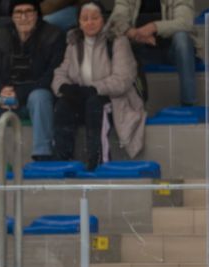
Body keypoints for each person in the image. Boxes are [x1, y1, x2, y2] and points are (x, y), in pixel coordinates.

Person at [52, 0, 147, 169]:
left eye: (95, 18)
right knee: (62, 105)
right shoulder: (74, 43)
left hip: (114, 101)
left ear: (104, 20)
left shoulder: (117, 41)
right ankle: (62, 162)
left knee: (95, 103)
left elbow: (122, 80)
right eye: (85, 18)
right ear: (79, 23)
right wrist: (64, 87)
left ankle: (97, 162)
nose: (90, 22)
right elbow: (61, 72)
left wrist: (94, 89)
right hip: (84, 99)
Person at [0, 0, 66, 160]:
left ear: (37, 14)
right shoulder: (0, 38)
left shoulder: (53, 36)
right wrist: (0, 91)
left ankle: (42, 155)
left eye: (28, 11)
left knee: (40, 96)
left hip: (35, 102)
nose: (23, 17)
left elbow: (52, 75)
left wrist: (18, 94)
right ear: (12, 16)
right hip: (6, 100)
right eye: (18, 12)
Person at [108, 0, 198, 107]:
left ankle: (188, 104)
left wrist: (154, 27)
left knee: (182, 38)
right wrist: (134, 34)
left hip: (171, 51)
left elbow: (185, 22)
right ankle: (127, 107)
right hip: (139, 49)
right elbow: (116, 20)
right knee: (120, 41)